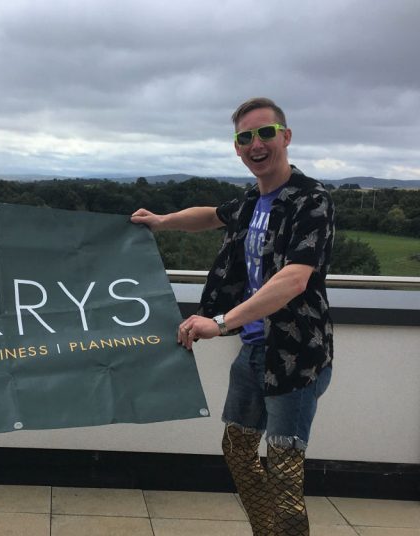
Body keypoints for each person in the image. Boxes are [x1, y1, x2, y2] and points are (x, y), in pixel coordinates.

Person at [132, 97, 334, 535]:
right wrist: (161, 221)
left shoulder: (310, 200)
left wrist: (221, 322)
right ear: (237, 148)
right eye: (245, 137)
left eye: (265, 133)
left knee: (283, 475)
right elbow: (210, 215)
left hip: (295, 359)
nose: (256, 144)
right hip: (254, 354)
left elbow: (294, 280)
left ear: (286, 136)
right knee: (239, 452)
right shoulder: (250, 200)